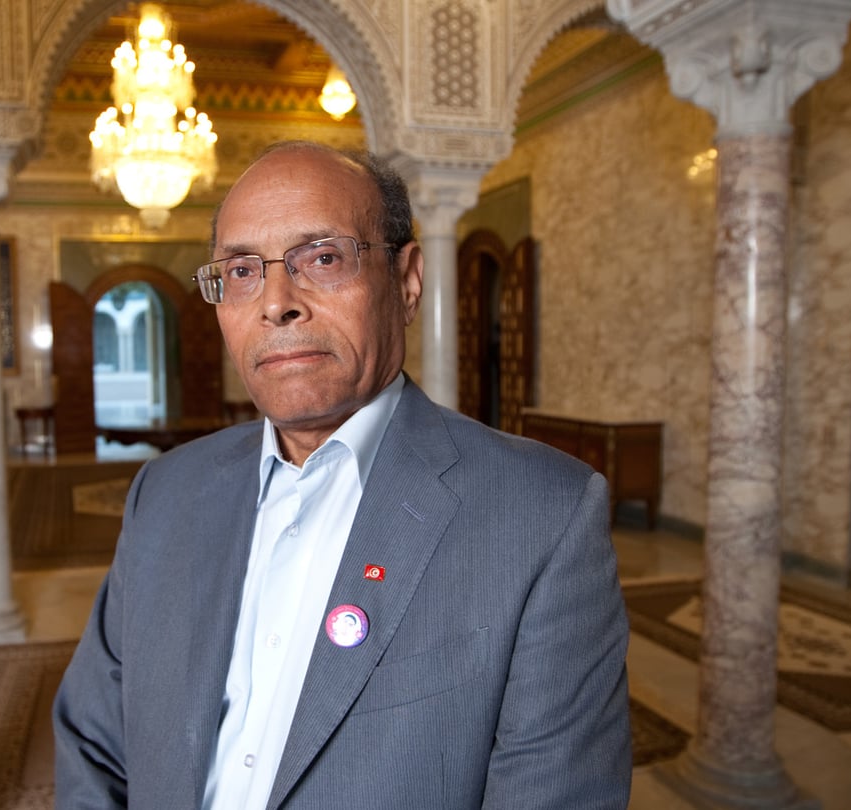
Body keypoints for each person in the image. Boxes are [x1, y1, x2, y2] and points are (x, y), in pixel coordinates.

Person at [53, 141, 631, 809]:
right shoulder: (165, 493)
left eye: (321, 259)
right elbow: (92, 746)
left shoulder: (541, 517)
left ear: (406, 281)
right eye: (241, 271)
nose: (275, 303)